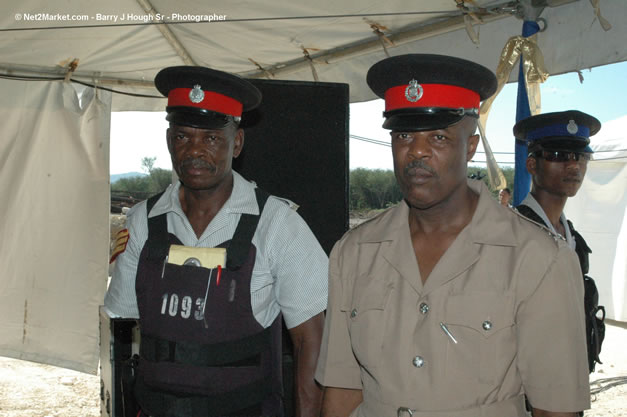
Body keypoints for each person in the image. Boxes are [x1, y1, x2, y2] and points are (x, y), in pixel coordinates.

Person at [315, 54, 590, 417]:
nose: (416, 152)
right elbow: (342, 389)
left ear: (471, 147)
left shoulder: (537, 259)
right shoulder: (353, 253)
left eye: (439, 137)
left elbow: (556, 408)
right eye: (403, 135)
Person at [104, 66, 328, 417]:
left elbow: (312, 344)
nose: (195, 150)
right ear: (168, 140)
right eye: (182, 137)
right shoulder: (142, 225)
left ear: (235, 143)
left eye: (210, 138)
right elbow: (120, 325)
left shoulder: (278, 226)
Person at [514, 110, 605, 375]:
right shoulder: (512, 237)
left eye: (580, 156)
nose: (574, 166)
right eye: (559, 156)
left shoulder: (572, 238)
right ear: (532, 165)